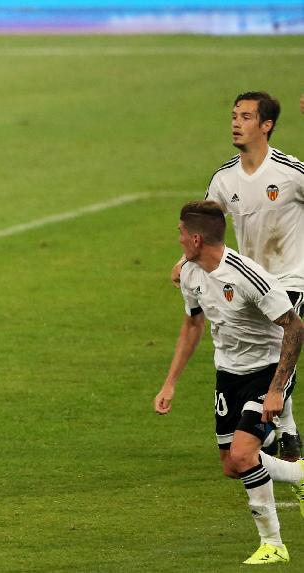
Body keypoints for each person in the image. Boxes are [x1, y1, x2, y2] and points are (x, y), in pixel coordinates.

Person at [156, 200, 304, 564]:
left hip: (266, 370)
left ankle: (274, 546)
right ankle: (298, 473)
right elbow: (192, 324)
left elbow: (295, 326)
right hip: (229, 373)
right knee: (232, 465)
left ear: (195, 238)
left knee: (243, 454)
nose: (178, 242)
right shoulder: (191, 273)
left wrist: (276, 390)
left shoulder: (248, 276)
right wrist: (170, 382)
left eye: (179, 235)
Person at [171, 92, 304, 462]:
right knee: (260, 349)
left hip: (291, 278)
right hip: (248, 280)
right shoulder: (224, 178)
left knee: (282, 339)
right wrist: (184, 261)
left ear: (266, 126)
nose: (235, 122)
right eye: (234, 115)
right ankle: (276, 429)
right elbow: (203, 228)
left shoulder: (291, 174)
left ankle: (287, 431)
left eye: (246, 117)